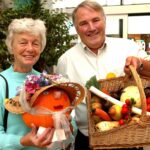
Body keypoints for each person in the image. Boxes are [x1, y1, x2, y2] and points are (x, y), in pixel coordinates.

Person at [56, 1, 149, 150]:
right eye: (83, 23)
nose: (91, 28)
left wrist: (140, 64)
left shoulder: (128, 47)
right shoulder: (65, 61)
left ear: (105, 21)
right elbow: (62, 105)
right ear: (76, 28)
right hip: (87, 142)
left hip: (128, 139)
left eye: (96, 20)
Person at [0, 18, 54, 150]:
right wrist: (22, 141)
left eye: (35, 43)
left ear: (41, 48)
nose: (30, 49)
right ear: (11, 47)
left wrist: (67, 126)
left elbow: (70, 131)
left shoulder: (47, 81)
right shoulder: (2, 83)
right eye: (23, 42)